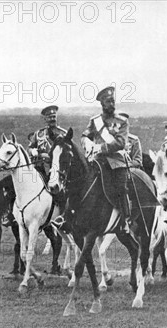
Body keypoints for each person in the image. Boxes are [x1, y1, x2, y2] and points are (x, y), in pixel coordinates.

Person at [54, 86, 131, 233]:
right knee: (77, 182)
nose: (112, 104)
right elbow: (84, 136)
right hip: (97, 160)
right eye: (108, 101)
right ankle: (68, 217)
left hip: (116, 161)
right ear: (102, 103)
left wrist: (100, 148)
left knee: (121, 187)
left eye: (113, 101)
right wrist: (87, 143)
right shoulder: (95, 121)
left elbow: (121, 142)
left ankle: (125, 219)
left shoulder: (122, 121)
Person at [29, 105, 68, 181]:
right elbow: (29, 148)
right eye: (50, 117)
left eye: (54, 117)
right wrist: (33, 151)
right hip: (41, 169)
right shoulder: (38, 134)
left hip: (59, 168)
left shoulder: (63, 133)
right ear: (45, 119)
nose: (52, 119)